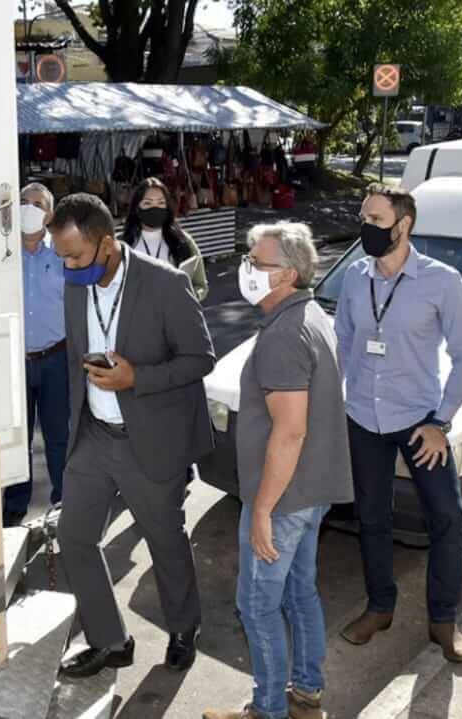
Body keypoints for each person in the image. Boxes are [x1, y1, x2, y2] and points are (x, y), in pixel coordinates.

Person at [48, 193, 215, 677]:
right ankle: (110, 641)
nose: (67, 266)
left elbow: (200, 359)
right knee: (73, 537)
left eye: (75, 256)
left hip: (150, 439)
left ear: (105, 244)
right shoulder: (77, 283)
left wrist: (136, 378)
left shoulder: (166, 284)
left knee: (166, 542)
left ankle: (184, 628)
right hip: (93, 437)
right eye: (62, 256)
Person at [203, 224, 352, 719]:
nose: (246, 268)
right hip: (311, 492)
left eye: (256, 262)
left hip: (286, 498)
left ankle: (268, 709)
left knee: (257, 605)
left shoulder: (285, 335)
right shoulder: (310, 314)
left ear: (287, 273)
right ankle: (307, 688)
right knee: (298, 591)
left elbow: (289, 432)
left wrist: (262, 508)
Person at [336, 184, 462, 662]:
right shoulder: (356, 277)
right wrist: (337, 400)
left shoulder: (443, 281)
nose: (366, 227)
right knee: (372, 518)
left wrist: (441, 420)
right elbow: (345, 343)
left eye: (376, 220)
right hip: (362, 415)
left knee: (447, 517)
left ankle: (444, 621)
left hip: (420, 420)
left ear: (404, 225)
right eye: (364, 218)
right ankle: (380, 608)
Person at [2, 184, 69, 527]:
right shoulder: (4, 253)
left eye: (38, 204)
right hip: (14, 360)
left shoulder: (61, 252)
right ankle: (14, 505)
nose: (30, 209)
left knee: (59, 437)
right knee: (17, 440)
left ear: (50, 213)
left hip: (56, 358)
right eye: (24, 202)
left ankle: (64, 502)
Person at [122, 177, 209, 301]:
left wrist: (191, 297)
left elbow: (201, 285)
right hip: (137, 318)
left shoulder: (183, 241)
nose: (155, 208)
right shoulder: (122, 245)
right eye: (147, 203)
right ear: (137, 208)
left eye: (161, 203)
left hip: (175, 316)